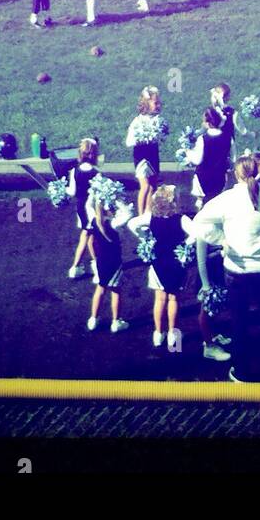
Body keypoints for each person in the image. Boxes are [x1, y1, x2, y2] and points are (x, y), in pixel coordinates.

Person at [192, 153, 260, 383]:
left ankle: (241, 372)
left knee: (239, 321)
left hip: (235, 270)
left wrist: (222, 239)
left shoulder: (227, 199)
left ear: (236, 174)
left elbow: (199, 222)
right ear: (258, 172)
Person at [128, 186, 196, 351]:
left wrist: (145, 238)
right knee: (174, 299)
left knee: (159, 299)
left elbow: (132, 224)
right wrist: (185, 245)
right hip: (175, 264)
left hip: (157, 263)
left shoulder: (150, 217)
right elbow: (196, 233)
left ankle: (158, 335)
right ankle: (174, 337)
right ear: (174, 202)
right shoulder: (182, 219)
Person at [85, 185, 134, 334]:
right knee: (116, 290)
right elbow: (128, 213)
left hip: (100, 261)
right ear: (110, 208)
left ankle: (93, 319)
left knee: (100, 288)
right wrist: (116, 197)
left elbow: (88, 205)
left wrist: (93, 193)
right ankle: (116, 321)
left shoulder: (93, 220)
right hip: (114, 262)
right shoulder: (113, 224)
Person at [187, 92, 236, 207]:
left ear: (207, 123)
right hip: (220, 176)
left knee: (201, 202)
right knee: (218, 202)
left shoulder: (202, 139)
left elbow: (198, 160)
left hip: (203, 176)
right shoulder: (228, 138)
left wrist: (188, 153)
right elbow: (233, 158)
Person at [66, 137, 100, 279]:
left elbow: (72, 192)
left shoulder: (75, 171)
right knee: (91, 237)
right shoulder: (96, 172)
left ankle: (76, 267)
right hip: (91, 209)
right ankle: (97, 267)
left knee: (85, 236)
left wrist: (63, 189)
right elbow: (98, 194)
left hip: (80, 207)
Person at [126, 86, 164, 215]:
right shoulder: (138, 121)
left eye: (159, 103)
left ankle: (147, 214)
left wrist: (160, 134)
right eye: (155, 103)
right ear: (146, 104)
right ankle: (140, 214)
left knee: (153, 186)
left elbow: (163, 136)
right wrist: (141, 138)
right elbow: (129, 142)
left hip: (153, 154)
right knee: (145, 186)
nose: (158, 105)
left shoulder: (158, 120)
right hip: (141, 156)